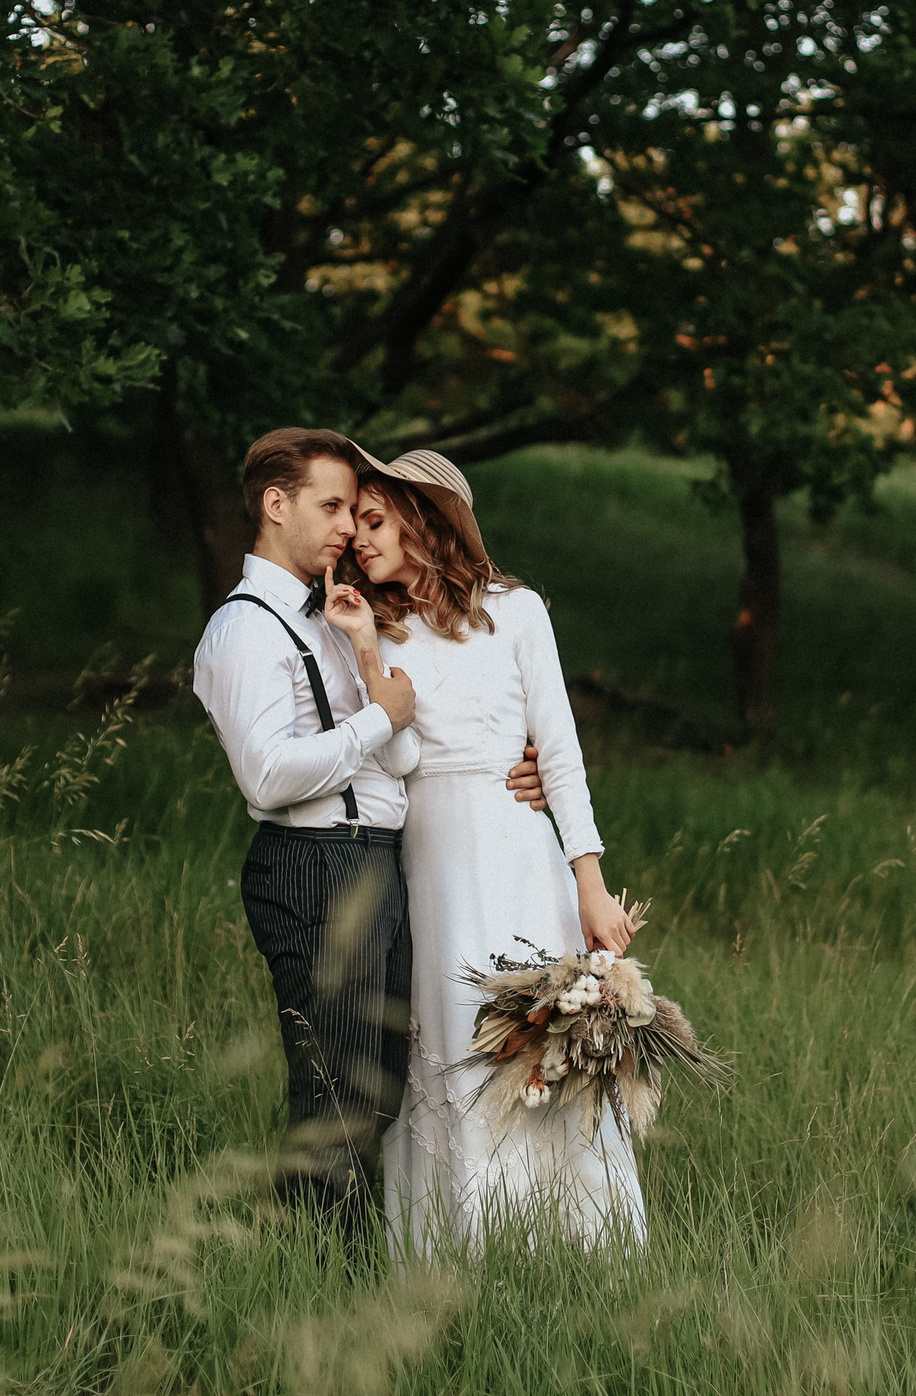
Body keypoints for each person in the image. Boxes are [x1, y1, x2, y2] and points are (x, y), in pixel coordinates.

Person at [189, 428, 543, 1243]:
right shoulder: (242, 630)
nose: (349, 526)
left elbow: (410, 741)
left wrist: (510, 762)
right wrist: (378, 720)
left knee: (379, 1087)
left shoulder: (332, 615)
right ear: (277, 506)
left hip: (376, 863)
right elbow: (269, 776)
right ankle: (321, 1280)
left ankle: (345, 1261)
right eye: (333, 506)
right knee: (336, 1096)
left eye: (355, 509)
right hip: (315, 867)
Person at [325, 447, 647, 1254]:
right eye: (354, 523)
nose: (359, 541)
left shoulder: (519, 612)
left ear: (425, 517)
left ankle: (567, 1239)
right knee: (448, 1033)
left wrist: (592, 887)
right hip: (429, 856)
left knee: (535, 1036)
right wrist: (368, 656)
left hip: (514, 854)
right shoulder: (382, 626)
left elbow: (561, 752)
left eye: (374, 520)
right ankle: (457, 1242)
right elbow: (396, 763)